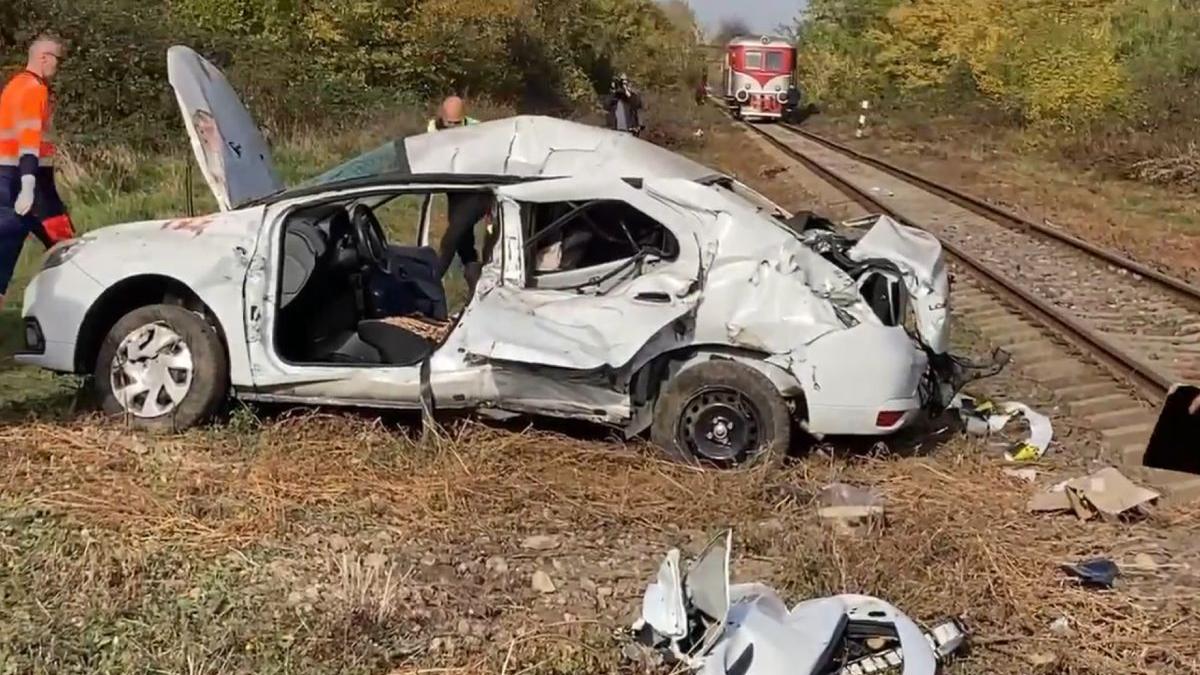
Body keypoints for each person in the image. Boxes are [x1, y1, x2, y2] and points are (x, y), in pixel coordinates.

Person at [0, 35, 73, 308]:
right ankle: (76, 314)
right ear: (44, 57)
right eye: (58, 59)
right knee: (69, 250)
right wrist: (29, 186)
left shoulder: (13, 86)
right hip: (30, 184)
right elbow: (28, 142)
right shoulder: (34, 89)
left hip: (6, 181)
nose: (58, 66)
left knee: (2, 262)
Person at [427, 96, 486, 288]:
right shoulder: (434, 128)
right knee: (464, 242)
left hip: (476, 190)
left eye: (457, 123)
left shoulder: (479, 130)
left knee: (452, 237)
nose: (453, 128)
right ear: (441, 118)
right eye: (449, 123)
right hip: (455, 190)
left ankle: (431, 281)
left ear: (465, 118)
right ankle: (475, 281)